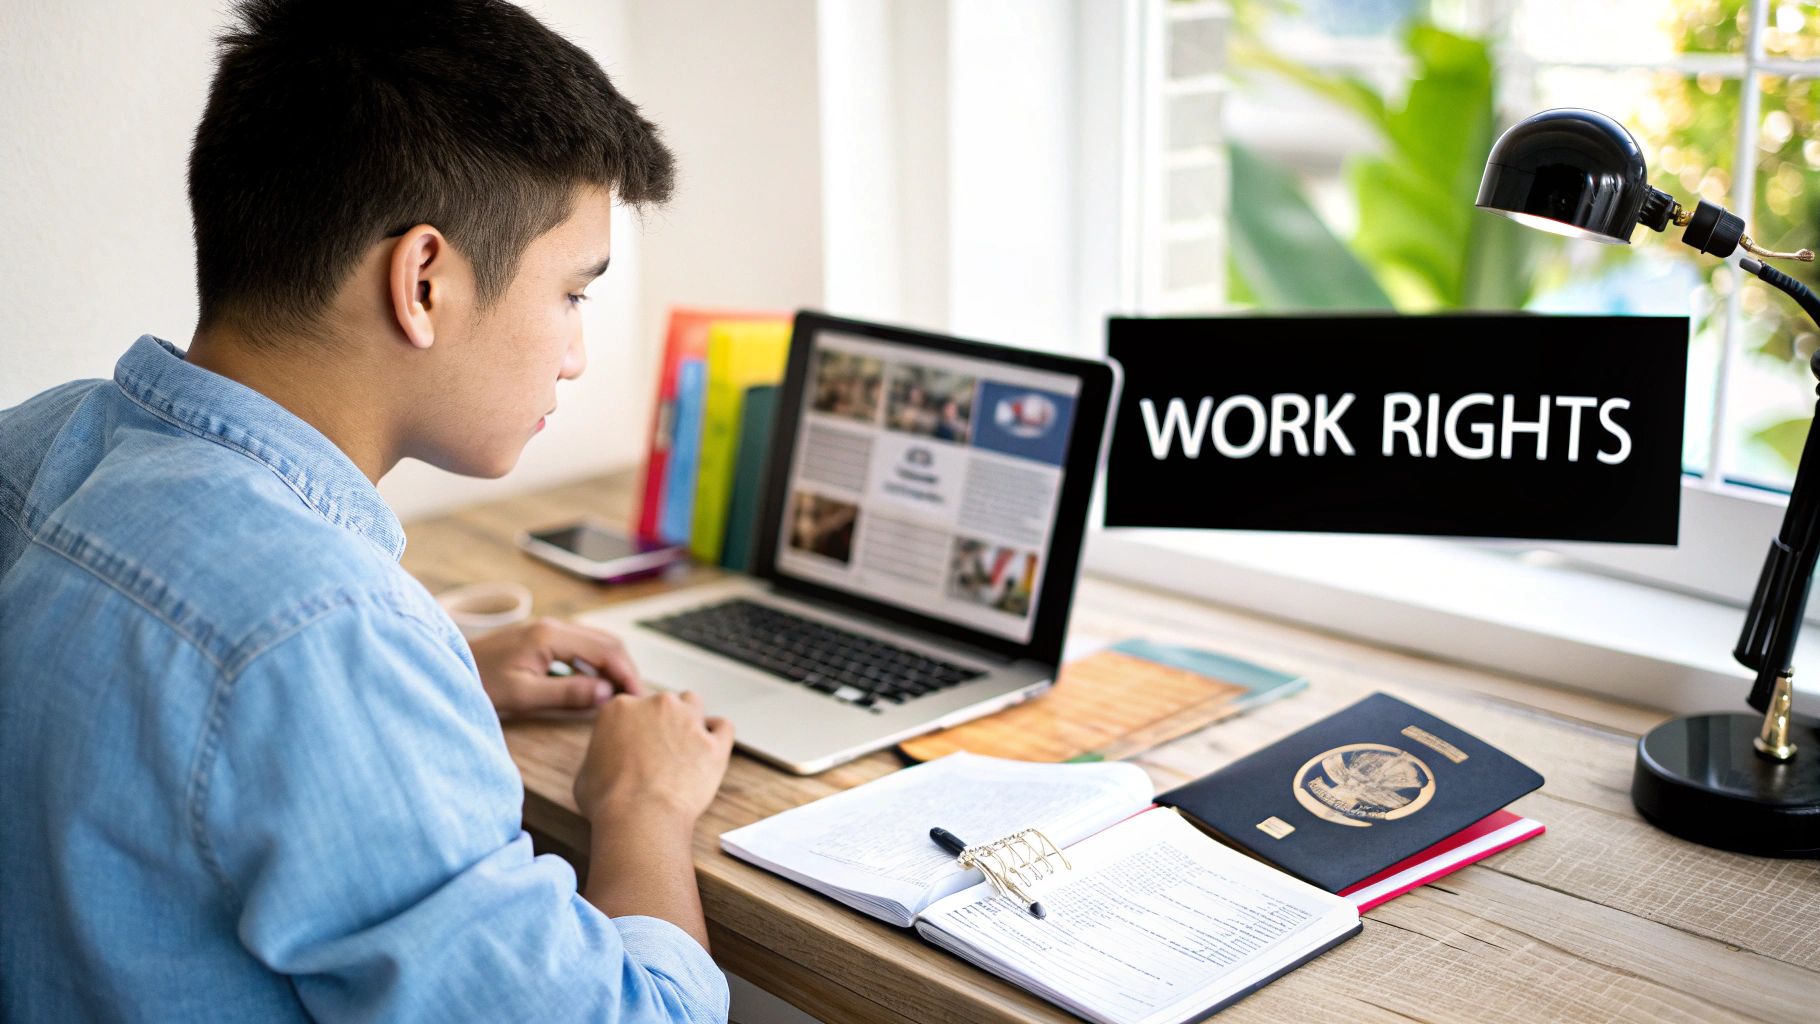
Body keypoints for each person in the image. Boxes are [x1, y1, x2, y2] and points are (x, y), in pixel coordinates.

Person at [0, 2, 736, 1021]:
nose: (574, 353)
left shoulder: (36, 447)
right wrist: (644, 806)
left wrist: (424, 695)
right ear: (422, 279)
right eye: (572, 294)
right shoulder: (323, 636)